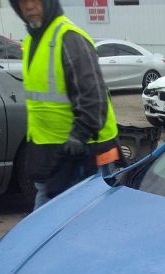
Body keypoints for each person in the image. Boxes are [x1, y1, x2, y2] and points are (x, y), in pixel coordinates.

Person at [10, 0, 120, 209]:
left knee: (79, 218)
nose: (29, 6)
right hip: (51, 154)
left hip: (83, 152)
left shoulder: (68, 38)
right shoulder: (33, 40)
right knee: (58, 217)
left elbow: (93, 97)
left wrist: (78, 136)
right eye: (22, 1)